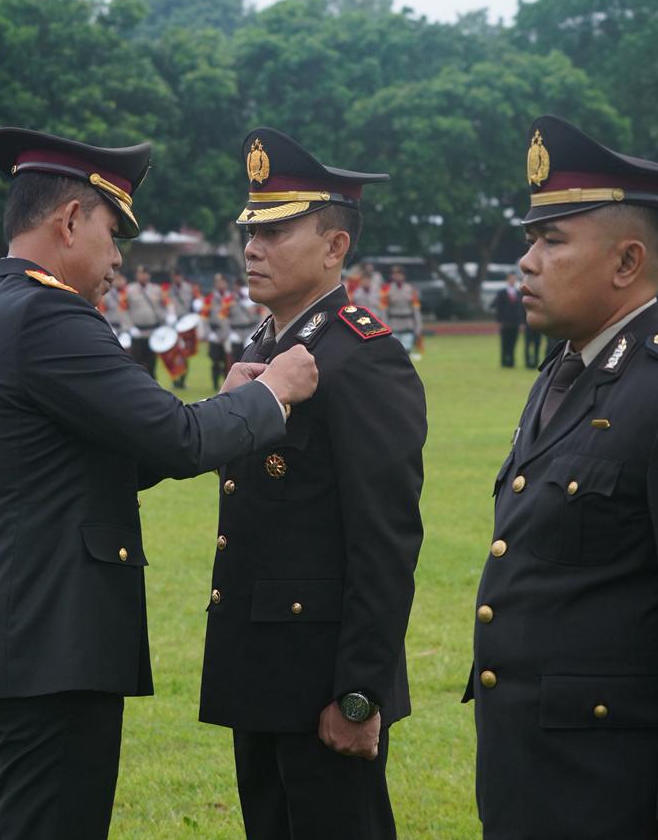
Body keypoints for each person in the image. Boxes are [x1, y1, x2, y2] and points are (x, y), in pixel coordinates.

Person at [0, 126, 319, 840]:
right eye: (112, 232)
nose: (115, 259)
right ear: (70, 220)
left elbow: (113, 457)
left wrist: (221, 401)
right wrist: (272, 395)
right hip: (50, 647)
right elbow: (176, 438)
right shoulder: (50, 317)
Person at [467, 115, 658, 840]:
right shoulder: (565, 371)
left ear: (628, 263)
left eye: (553, 240)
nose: (527, 262)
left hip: (608, 789)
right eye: (532, 239)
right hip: (529, 770)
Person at [200, 127, 426, 840]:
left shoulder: (362, 360)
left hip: (322, 680)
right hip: (260, 666)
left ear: (335, 247)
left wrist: (358, 693)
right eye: (251, 230)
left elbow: (385, 540)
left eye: (276, 230)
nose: (252, 248)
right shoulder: (264, 346)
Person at [125, 264, 167, 376]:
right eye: (140, 273)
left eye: (145, 273)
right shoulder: (129, 290)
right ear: (136, 275)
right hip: (137, 332)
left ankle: (152, 388)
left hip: (153, 332)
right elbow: (123, 310)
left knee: (152, 363)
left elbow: (165, 305)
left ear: (149, 275)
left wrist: (167, 320)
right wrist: (129, 327)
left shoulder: (156, 289)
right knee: (136, 363)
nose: (143, 276)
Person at [381, 264, 423, 356]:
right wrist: (384, 326)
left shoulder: (411, 289)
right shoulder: (386, 290)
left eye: (399, 274)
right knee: (394, 351)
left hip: (407, 324)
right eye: (394, 274)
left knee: (406, 350)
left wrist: (418, 326)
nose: (397, 276)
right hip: (393, 324)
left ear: (403, 276)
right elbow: (384, 310)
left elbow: (416, 310)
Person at [493, 273, 525, 367]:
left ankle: (511, 362)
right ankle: (504, 362)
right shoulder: (501, 293)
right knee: (504, 343)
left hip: (515, 322)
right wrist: (499, 322)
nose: (512, 281)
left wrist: (522, 322)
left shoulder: (518, 293)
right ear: (507, 280)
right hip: (505, 322)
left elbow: (521, 309)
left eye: (514, 279)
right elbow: (498, 308)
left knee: (513, 343)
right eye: (511, 279)